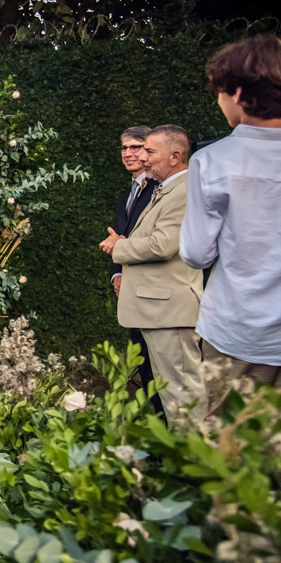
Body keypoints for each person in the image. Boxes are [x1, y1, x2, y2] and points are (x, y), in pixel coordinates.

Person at [180, 35, 281, 416]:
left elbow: (196, 253)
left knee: (228, 453)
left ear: (237, 93)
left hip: (239, 332)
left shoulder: (213, 161)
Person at [100, 125, 205, 421]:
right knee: (171, 396)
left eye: (149, 151)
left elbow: (162, 245)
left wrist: (119, 247)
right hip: (158, 310)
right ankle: (178, 459)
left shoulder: (183, 191)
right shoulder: (165, 189)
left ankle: (196, 463)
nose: (143, 158)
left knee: (184, 397)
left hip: (170, 311)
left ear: (174, 156)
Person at [109, 126, 165, 416]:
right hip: (130, 291)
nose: (129, 153)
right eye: (124, 148)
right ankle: (156, 430)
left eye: (136, 147)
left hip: (157, 292)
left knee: (162, 370)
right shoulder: (125, 195)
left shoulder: (162, 190)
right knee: (143, 364)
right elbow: (118, 235)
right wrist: (117, 273)